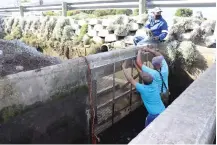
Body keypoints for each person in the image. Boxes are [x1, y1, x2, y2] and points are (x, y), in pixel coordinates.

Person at [122, 60, 165, 127]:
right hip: (163, 110)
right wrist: (135, 64)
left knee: (147, 129)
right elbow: (143, 75)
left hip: (153, 115)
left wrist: (123, 67)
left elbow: (130, 79)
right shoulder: (154, 83)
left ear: (143, 81)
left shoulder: (143, 89)